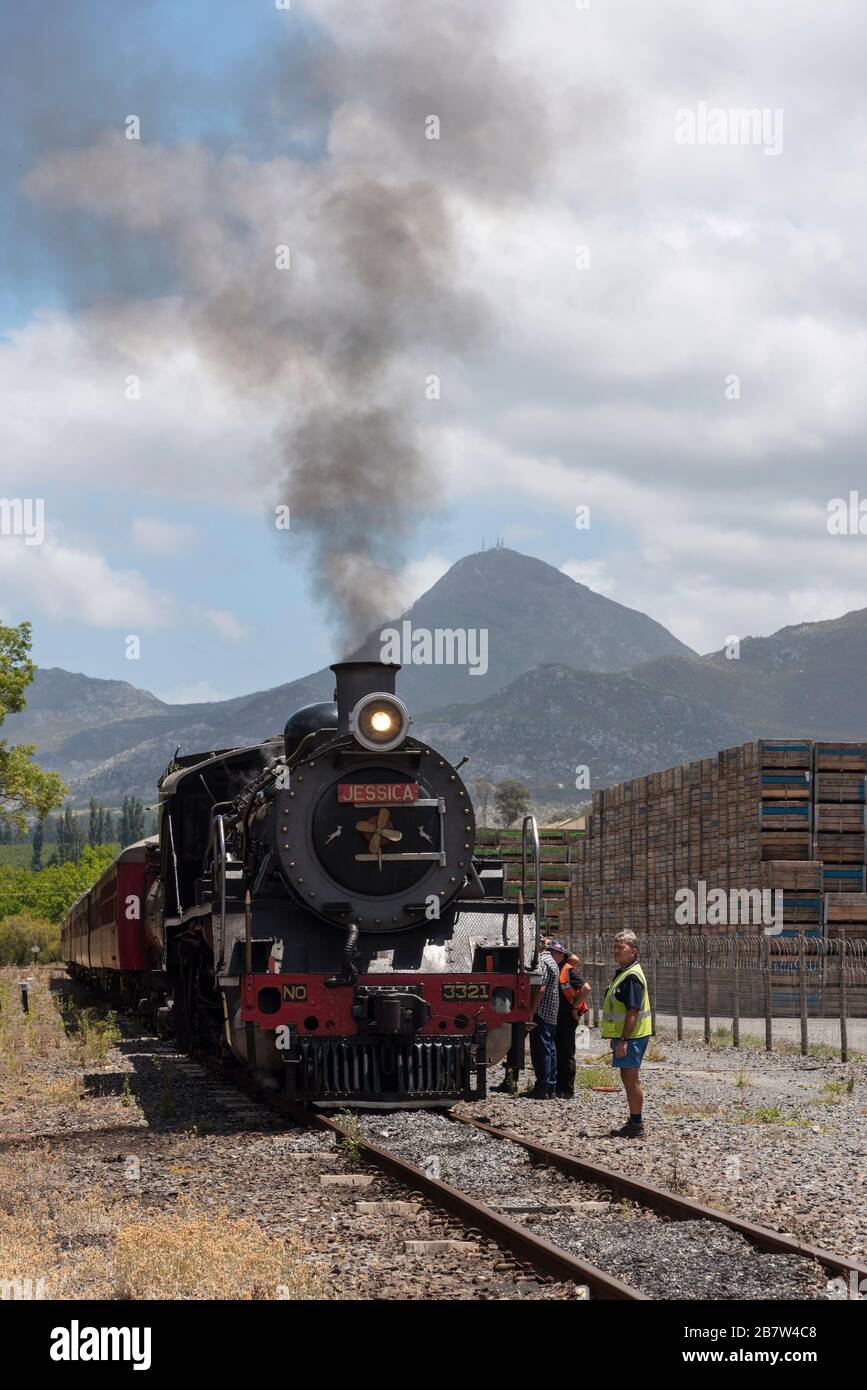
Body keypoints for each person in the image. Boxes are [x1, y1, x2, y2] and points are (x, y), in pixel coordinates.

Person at [601, 929, 653, 1138]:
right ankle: (634, 1121)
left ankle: (636, 1125)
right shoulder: (624, 972)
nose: (616, 951)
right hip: (628, 1036)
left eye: (621, 947)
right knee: (627, 1077)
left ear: (634, 951)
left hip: (633, 1036)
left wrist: (623, 1040)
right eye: (615, 947)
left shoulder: (632, 977)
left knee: (631, 1079)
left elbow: (633, 1011)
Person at [547, 942, 591, 1099]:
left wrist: (574, 1007)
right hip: (557, 1016)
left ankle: (566, 1090)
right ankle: (557, 1086)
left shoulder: (567, 970)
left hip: (567, 1017)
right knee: (556, 1051)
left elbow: (586, 988)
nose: (551, 955)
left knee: (566, 1053)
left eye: (554, 953)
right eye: (549, 952)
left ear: (562, 955)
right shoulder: (554, 969)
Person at [526, 942, 560, 1099]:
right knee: (550, 1049)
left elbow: (541, 988)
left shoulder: (543, 961)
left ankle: (542, 1087)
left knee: (541, 1051)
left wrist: (531, 1012)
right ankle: (551, 1087)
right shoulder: (553, 963)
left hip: (542, 1011)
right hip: (552, 1012)